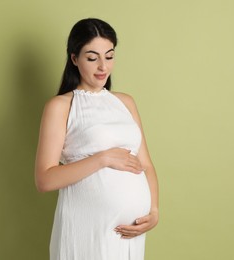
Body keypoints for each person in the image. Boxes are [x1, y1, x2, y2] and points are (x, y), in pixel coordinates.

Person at [34, 18, 159, 260]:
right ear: (74, 59)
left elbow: (147, 166)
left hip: (130, 235)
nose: (103, 66)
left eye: (109, 56)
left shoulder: (125, 102)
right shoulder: (60, 106)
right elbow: (45, 179)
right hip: (86, 230)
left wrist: (153, 211)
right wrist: (104, 158)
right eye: (92, 58)